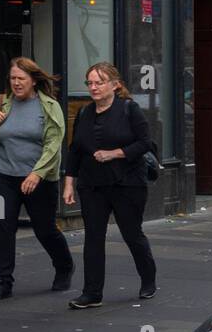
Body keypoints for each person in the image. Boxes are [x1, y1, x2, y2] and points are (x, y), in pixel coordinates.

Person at [0, 58, 74, 301]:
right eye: (12, 78)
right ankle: (2, 282)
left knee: (45, 230)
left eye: (21, 79)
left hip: (40, 179)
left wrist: (36, 174)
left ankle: (64, 265)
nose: (15, 83)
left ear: (33, 81)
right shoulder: (2, 101)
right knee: (1, 227)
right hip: (3, 177)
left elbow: (53, 145)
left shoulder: (49, 106)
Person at [62, 62, 157, 309]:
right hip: (92, 185)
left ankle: (148, 279)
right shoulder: (83, 114)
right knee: (93, 237)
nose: (93, 87)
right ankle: (92, 293)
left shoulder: (129, 109)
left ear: (115, 85)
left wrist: (115, 153)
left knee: (132, 234)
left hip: (127, 184)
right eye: (89, 83)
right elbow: (75, 151)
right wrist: (69, 183)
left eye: (99, 82)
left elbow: (145, 143)